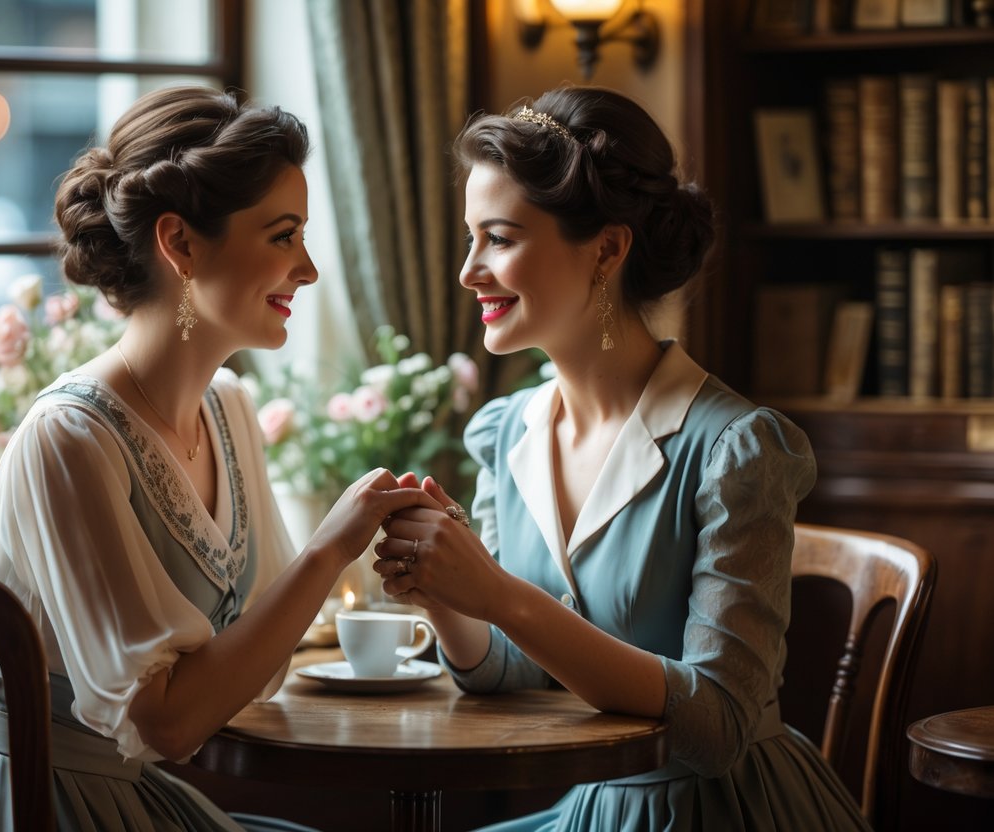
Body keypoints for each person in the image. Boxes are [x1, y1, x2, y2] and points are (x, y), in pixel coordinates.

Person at [0, 86, 429, 832]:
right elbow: (168, 725)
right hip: (37, 803)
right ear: (178, 244)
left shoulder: (228, 407)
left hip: (129, 793)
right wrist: (333, 544)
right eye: (282, 236)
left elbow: (254, 671)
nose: (306, 269)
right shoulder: (68, 436)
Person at [372, 86, 871, 831]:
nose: (468, 270)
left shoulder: (735, 448)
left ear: (606, 248)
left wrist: (500, 594)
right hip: (591, 806)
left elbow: (717, 728)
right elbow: (516, 671)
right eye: (469, 238)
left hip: (719, 809)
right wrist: (446, 594)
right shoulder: (503, 434)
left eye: (499, 238)